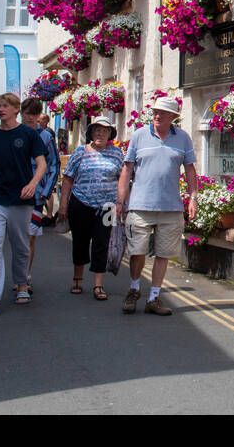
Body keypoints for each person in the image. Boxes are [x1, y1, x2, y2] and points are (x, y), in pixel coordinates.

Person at [118, 95, 197, 316]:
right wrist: (120, 200)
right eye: (155, 112)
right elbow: (127, 169)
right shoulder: (139, 136)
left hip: (171, 207)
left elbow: (190, 170)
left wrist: (193, 197)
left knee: (163, 254)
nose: (157, 116)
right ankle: (134, 289)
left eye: (162, 113)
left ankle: (154, 297)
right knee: (137, 251)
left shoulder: (183, 138)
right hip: (141, 205)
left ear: (172, 117)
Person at [0, 92, 47, 320]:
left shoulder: (28, 134)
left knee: (21, 246)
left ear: (16, 109)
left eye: (5, 106)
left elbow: (41, 163)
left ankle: (21, 284)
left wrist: (33, 184)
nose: (2, 109)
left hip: (21, 199)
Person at [62, 117, 124, 300]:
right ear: (91, 132)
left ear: (110, 134)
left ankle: (98, 285)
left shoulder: (117, 153)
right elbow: (67, 179)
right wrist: (63, 205)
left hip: (107, 207)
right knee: (80, 242)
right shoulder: (80, 152)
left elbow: (123, 179)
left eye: (105, 131)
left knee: (101, 244)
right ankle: (77, 279)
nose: (100, 133)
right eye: (97, 130)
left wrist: (121, 204)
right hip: (81, 203)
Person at [20, 97, 59, 291]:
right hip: (13, 194)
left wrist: (45, 192)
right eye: (26, 113)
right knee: (14, 238)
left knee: (29, 237)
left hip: (35, 196)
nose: (29, 118)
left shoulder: (45, 137)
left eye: (33, 114)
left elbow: (53, 164)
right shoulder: (13, 134)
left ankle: (25, 277)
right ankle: (18, 274)